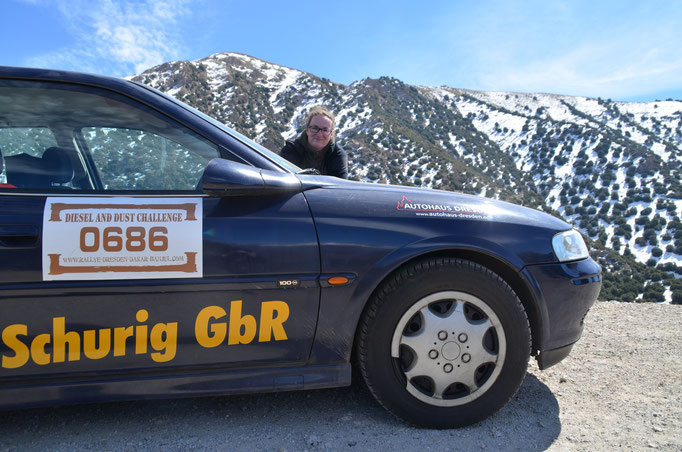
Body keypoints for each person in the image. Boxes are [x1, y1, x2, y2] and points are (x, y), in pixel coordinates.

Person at [280, 106, 348, 179]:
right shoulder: (292, 149)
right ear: (307, 129)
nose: (319, 134)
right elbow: (283, 180)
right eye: (315, 128)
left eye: (325, 130)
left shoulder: (337, 155)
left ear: (332, 134)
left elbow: (340, 186)